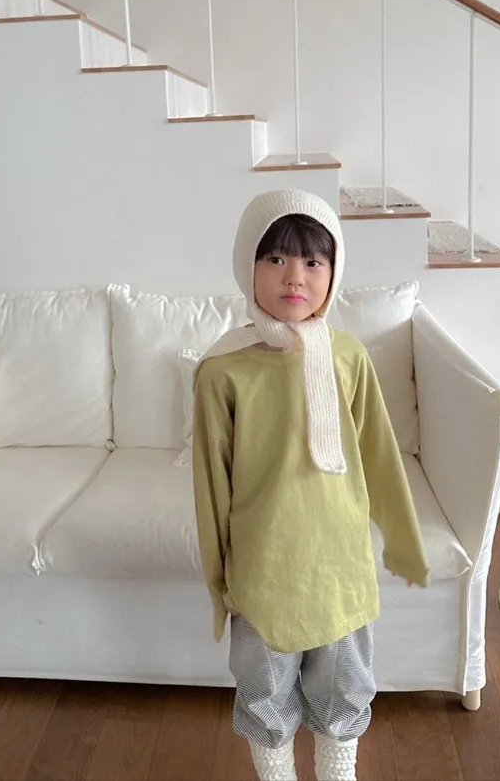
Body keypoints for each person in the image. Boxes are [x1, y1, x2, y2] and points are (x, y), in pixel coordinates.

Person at [192, 189, 429, 781]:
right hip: (264, 570)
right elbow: (210, 484)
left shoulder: (349, 356)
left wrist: (404, 540)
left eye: (312, 261)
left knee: (344, 687)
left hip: (339, 567)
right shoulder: (222, 370)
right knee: (264, 692)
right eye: (275, 258)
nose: (294, 276)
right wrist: (220, 581)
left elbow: (379, 454)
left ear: (332, 271)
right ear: (247, 264)